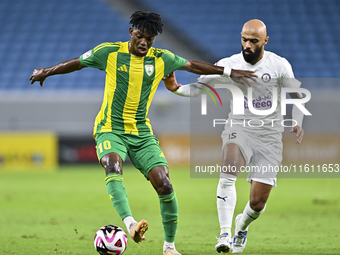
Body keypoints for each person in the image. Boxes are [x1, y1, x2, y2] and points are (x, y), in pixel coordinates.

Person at [29, 11, 256, 255]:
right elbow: (77, 62)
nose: (144, 42)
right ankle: (131, 225)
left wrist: (228, 72)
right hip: (110, 128)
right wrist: (47, 71)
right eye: (139, 36)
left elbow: (191, 65)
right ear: (130, 33)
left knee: (165, 185)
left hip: (141, 133)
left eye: (149, 39)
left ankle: (169, 247)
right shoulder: (109, 52)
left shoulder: (162, 59)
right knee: (112, 165)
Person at [163, 19, 305, 254]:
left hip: (270, 137)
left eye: (253, 41)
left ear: (265, 41)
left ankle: (242, 225)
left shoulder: (279, 65)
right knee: (228, 171)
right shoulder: (229, 65)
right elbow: (199, 88)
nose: (247, 45)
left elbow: (297, 95)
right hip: (239, 128)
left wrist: (298, 121)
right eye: (244, 39)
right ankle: (225, 234)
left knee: (258, 204)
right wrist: (175, 88)